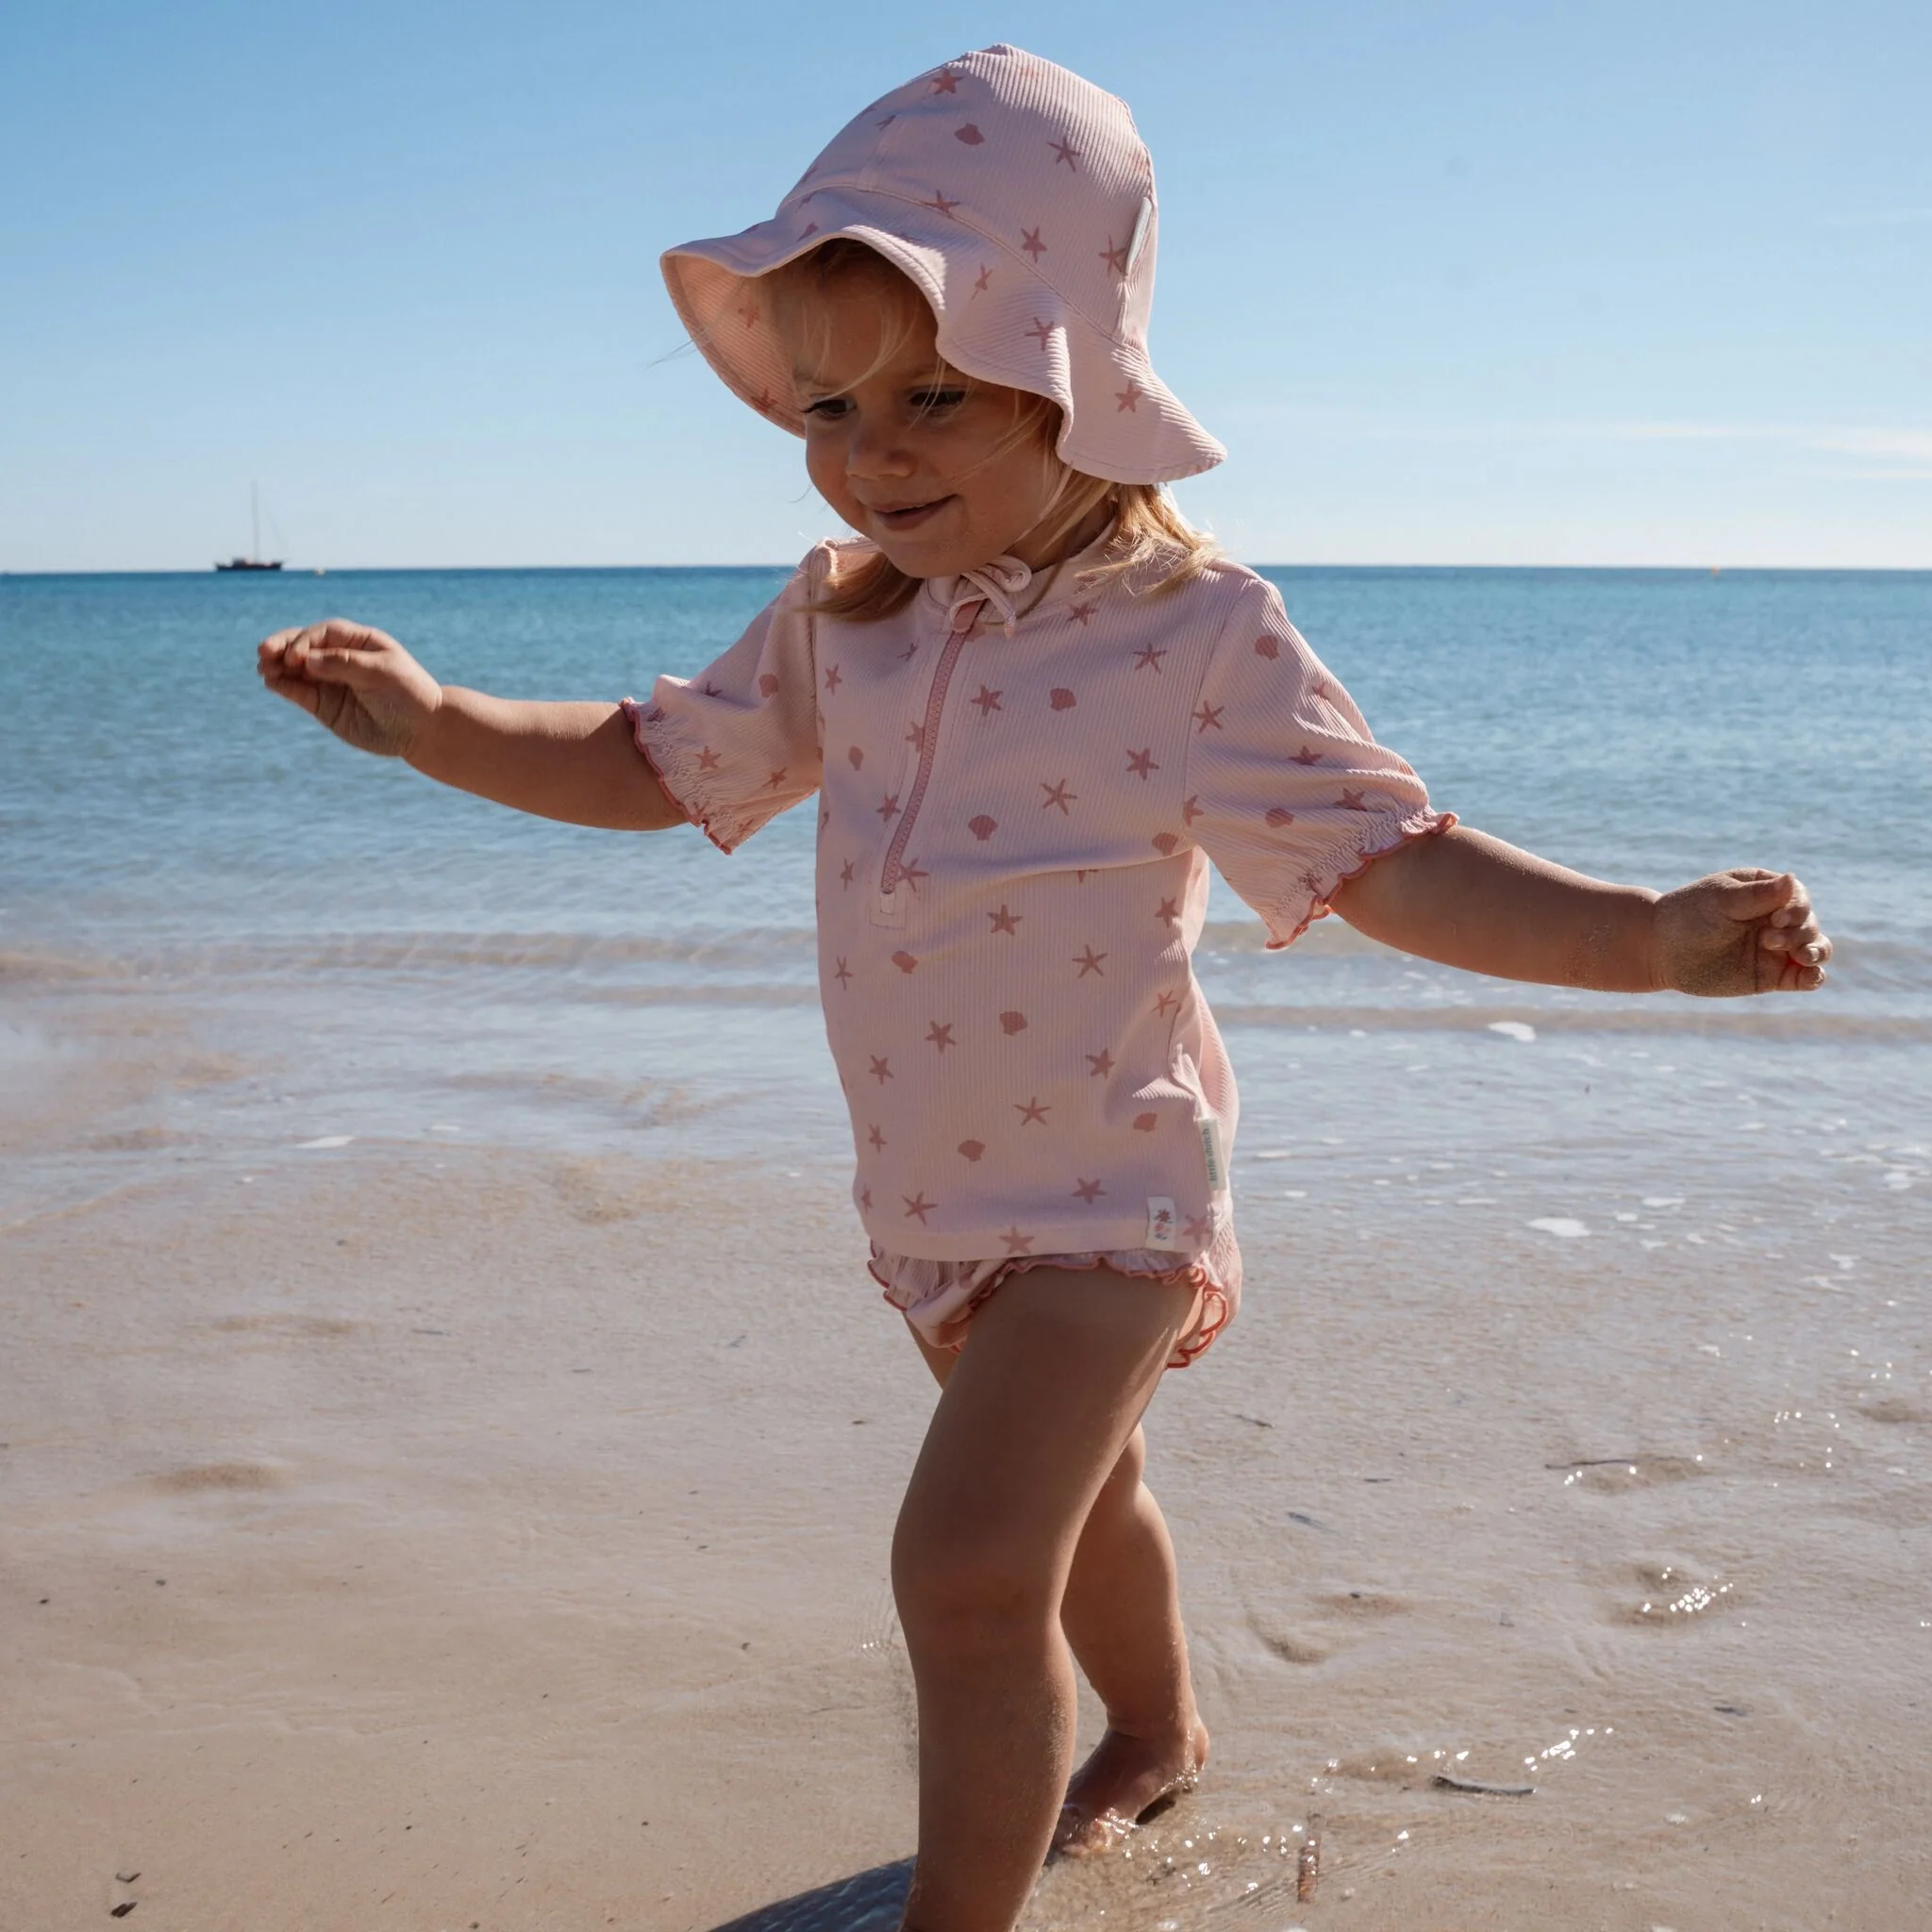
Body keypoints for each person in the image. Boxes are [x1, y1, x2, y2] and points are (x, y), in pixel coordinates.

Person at [257, 45, 1832, 1932]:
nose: (869, 451)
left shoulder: (1192, 638)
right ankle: (1160, 1728)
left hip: (1113, 1198)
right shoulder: (845, 616)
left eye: (932, 394)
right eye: (828, 403)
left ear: (1074, 378)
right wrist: (435, 727)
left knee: (965, 1568)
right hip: (930, 1201)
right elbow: (641, 763)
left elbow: (1384, 857)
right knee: (1088, 1516)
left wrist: (1639, 936)